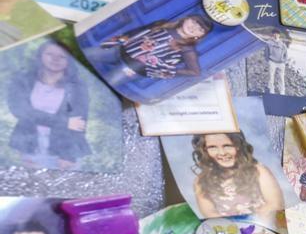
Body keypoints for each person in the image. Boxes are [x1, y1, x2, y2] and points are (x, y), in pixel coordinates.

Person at [6, 37, 90, 169]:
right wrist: (65, 122)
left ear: (69, 61)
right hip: (29, 146)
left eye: (62, 56)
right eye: (49, 54)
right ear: (40, 56)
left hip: (62, 151)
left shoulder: (77, 86)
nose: (55, 59)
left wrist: (68, 155)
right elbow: (21, 111)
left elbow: (78, 122)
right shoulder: (24, 80)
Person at [189, 129, 284, 224]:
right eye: (212, 147)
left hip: (263, 225)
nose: (222, 153)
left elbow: (275, 204)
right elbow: (210, 214)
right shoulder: (201, 181)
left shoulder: (258, 170)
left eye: (228, 146)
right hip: (229, 230)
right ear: (205, 150)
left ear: (238, 145)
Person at [104, 12, 212, 85]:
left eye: (200, 29)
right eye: (193, 22)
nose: (193, 28)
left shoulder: (188, 49)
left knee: (107, 81)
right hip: (119, 50)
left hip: (132, 69)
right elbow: (137, 32)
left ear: (200, 36)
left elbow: (195, 72)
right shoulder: (163, 24)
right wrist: (113, 42)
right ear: (186, 19)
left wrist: (163, 71)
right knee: (91, 54)